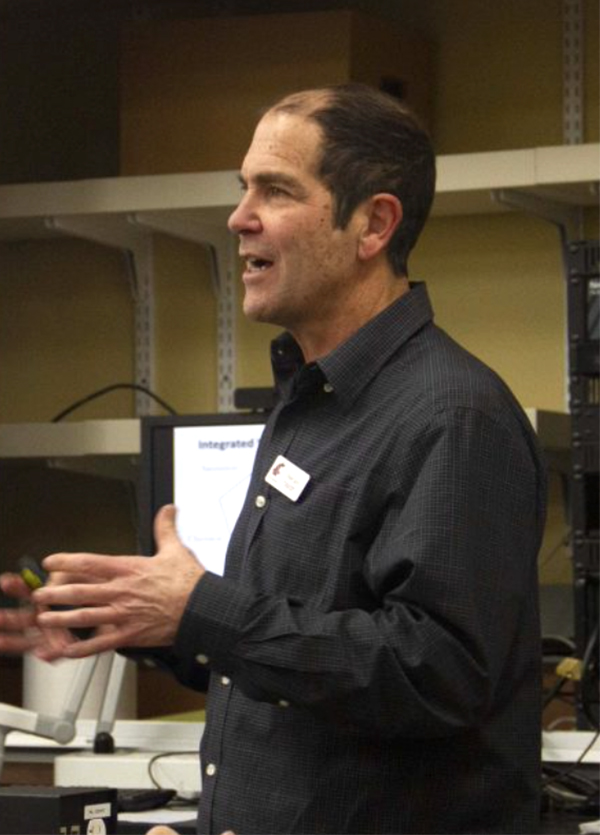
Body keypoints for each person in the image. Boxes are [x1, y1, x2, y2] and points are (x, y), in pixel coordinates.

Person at [0, 83, 547, 834]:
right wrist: (144, 617)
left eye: (276, 190)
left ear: (373, 224)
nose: (238, 216)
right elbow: (287, 654)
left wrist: (202, 607)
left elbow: (434, 675)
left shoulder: (452, 417)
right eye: (242, 187)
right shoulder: (307, 404)